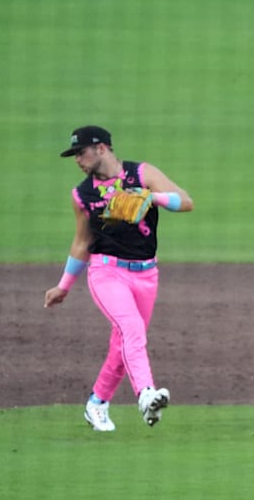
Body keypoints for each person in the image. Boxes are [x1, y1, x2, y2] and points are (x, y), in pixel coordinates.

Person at [43, 125, 194, 432]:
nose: (77, 160)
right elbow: (82, 244)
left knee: (122, 346)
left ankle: (96, 403)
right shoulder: (81, 195)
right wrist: (64, 286)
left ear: (102, 148)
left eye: (81, 152)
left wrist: (151, 198)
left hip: (146, 274)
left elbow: (186, 201)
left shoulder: (141, 174)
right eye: (74, 155)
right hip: (106, 272)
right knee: (132, 328)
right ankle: (146, 395)